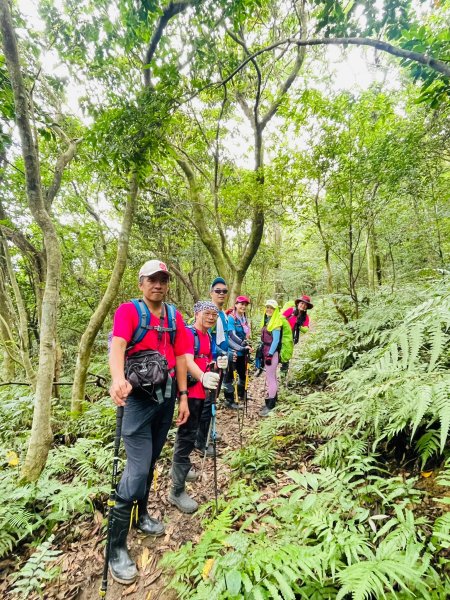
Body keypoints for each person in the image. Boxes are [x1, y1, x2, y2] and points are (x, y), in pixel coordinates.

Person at [108, 259, 190, 585]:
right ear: (141, 283)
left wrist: (183, 396)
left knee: (152, 462)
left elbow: (182, 357)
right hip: (138, 402)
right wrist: (117, 379)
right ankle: (115, 548)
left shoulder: (175, 317)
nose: (158, 284)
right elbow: (117, 347)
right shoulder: (129, 312)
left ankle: (141, 516)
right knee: (138, 469)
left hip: (166, 399)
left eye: (163, 280)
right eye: (152, 279)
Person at [169, 301, 228, 513]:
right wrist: (202, 376)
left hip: (202, 392)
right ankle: (176, 490)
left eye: (214, 314)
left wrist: (216, 364)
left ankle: (179, 469)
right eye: (207, 313)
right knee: (186, 436)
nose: (211, 317)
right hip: (190, 392)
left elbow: (205, 359)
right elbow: (186, 360)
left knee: (189, 433)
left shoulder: (207, 336)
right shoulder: (188, 333)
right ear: (197, 313)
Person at [194, 277, 229, 456]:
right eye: (218, 291)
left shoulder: (222, 315)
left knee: (210, 404)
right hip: (201, 372)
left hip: (214, 365)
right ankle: (199, 442)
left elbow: (219, 342)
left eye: (224, 291)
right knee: (204, 406)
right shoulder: (196, 327)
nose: (221, 294)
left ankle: (206, 436)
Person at [225, 296, 252, 408]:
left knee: (242, 373)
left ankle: (241, 394)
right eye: (241, 304)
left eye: (245, 304)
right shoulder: (231, 318)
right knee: (230, 376)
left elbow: (246, 333)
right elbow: (231, 334)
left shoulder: (244, 317)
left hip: (243, 352)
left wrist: (247, 343)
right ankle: (229, 400)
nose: (243, 306)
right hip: (233, 351)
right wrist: (242, 344)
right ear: (236, 304)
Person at [260, 299, 282, 417]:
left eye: (271, 308)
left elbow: (276, 341)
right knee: (270, 377)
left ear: (275, 310)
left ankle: (271, 405)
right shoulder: (267, 320)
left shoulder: (276, 322)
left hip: (271, 353)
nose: (269, 309)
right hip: (266, 351)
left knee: (271, 378)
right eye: (267, 307)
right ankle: (271, 400)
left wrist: (270, 354)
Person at [280, 295, 313, 373]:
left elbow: (306, 329)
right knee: (277, 353)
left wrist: (299, 325)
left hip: (291, 338)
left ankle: (283, 375)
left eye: (305, 305)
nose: (303, 306)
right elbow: (281, 318)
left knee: (286, 355)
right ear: (298, 303)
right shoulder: (291, 310)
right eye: (302, 303)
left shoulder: (305, 317)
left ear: (307, 307)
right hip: (281, 335)